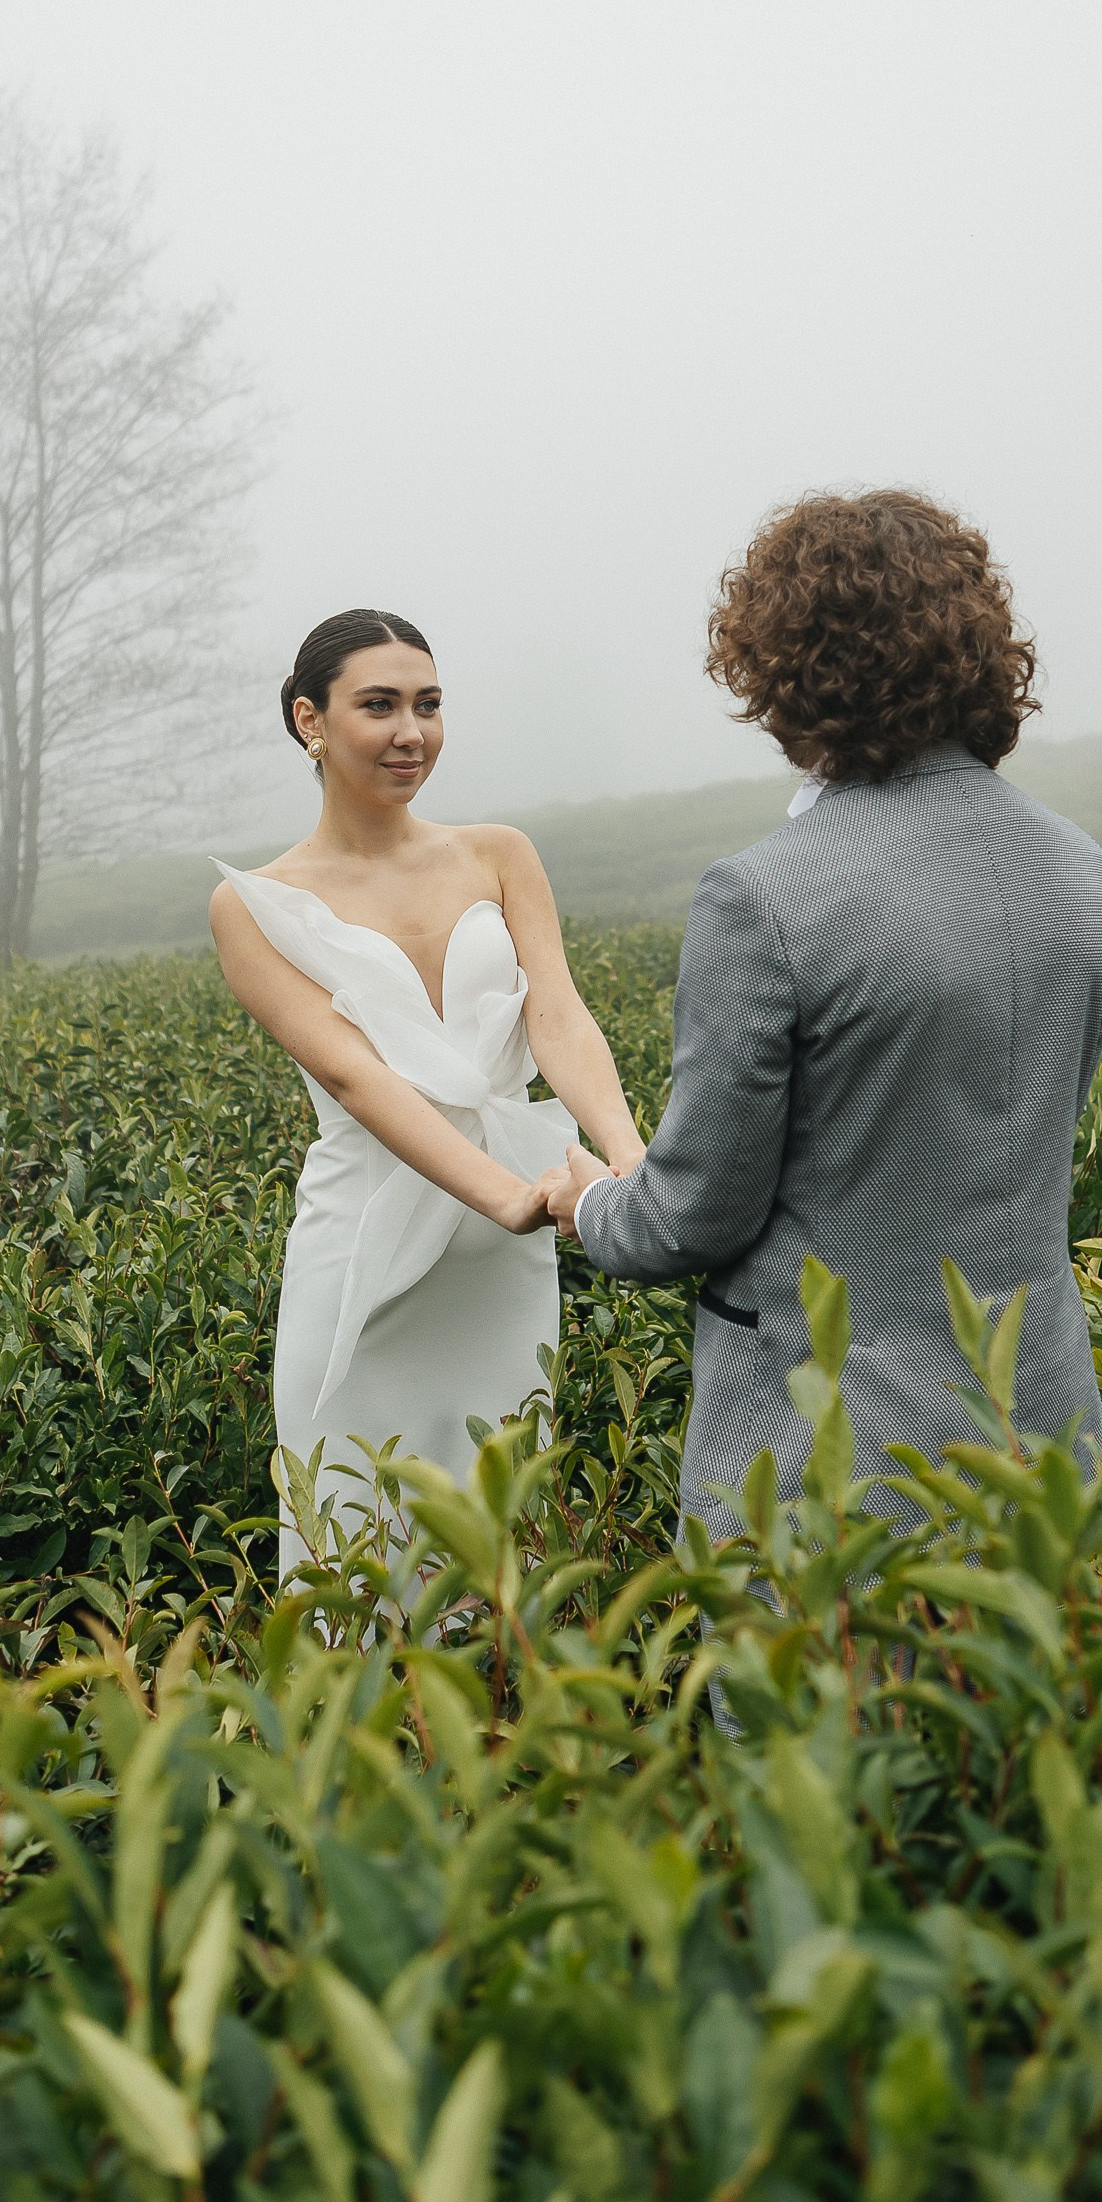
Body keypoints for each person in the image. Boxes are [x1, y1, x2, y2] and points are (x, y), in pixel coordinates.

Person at [543, 491, 1102, 1543]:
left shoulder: (761, 899)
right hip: (1046, 1426)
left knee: (804, 1707)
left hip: (833, 1454)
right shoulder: (1080, 870)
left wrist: (591, 1206)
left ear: (782, 671)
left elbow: (695, 1214)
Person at [210, 609, 644, 1575]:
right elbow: (352, 1075)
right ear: (308, 720)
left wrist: (628, 1158)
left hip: (503, 1258)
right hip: (370, 1244)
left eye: (429, 705)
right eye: (380, 705)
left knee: (497, 1526)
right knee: (356, 1533)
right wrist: (508, 1196)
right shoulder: (252, 903)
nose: (413, 732)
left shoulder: (499, 853)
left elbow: (559, 1019)